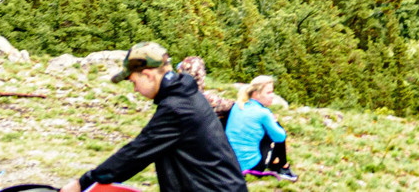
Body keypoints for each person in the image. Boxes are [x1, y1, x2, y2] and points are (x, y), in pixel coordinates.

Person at [63, 43, 246, 192]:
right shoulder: (186, 94)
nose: (135, 89)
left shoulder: (176, 108)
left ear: (148, 75)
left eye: (134, 82)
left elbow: (135, 154)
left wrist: (82, 183)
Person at [225, 77, 290, 180]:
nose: (272, 96)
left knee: (264, 129)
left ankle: (279, 164)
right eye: (268, 93)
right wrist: (274, 122)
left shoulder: (238, 105)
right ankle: (283, 167)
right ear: (256, 94)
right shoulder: (263, 113)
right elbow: (280, 137)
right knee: (274, 129)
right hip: (251, 166)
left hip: (230, 162)